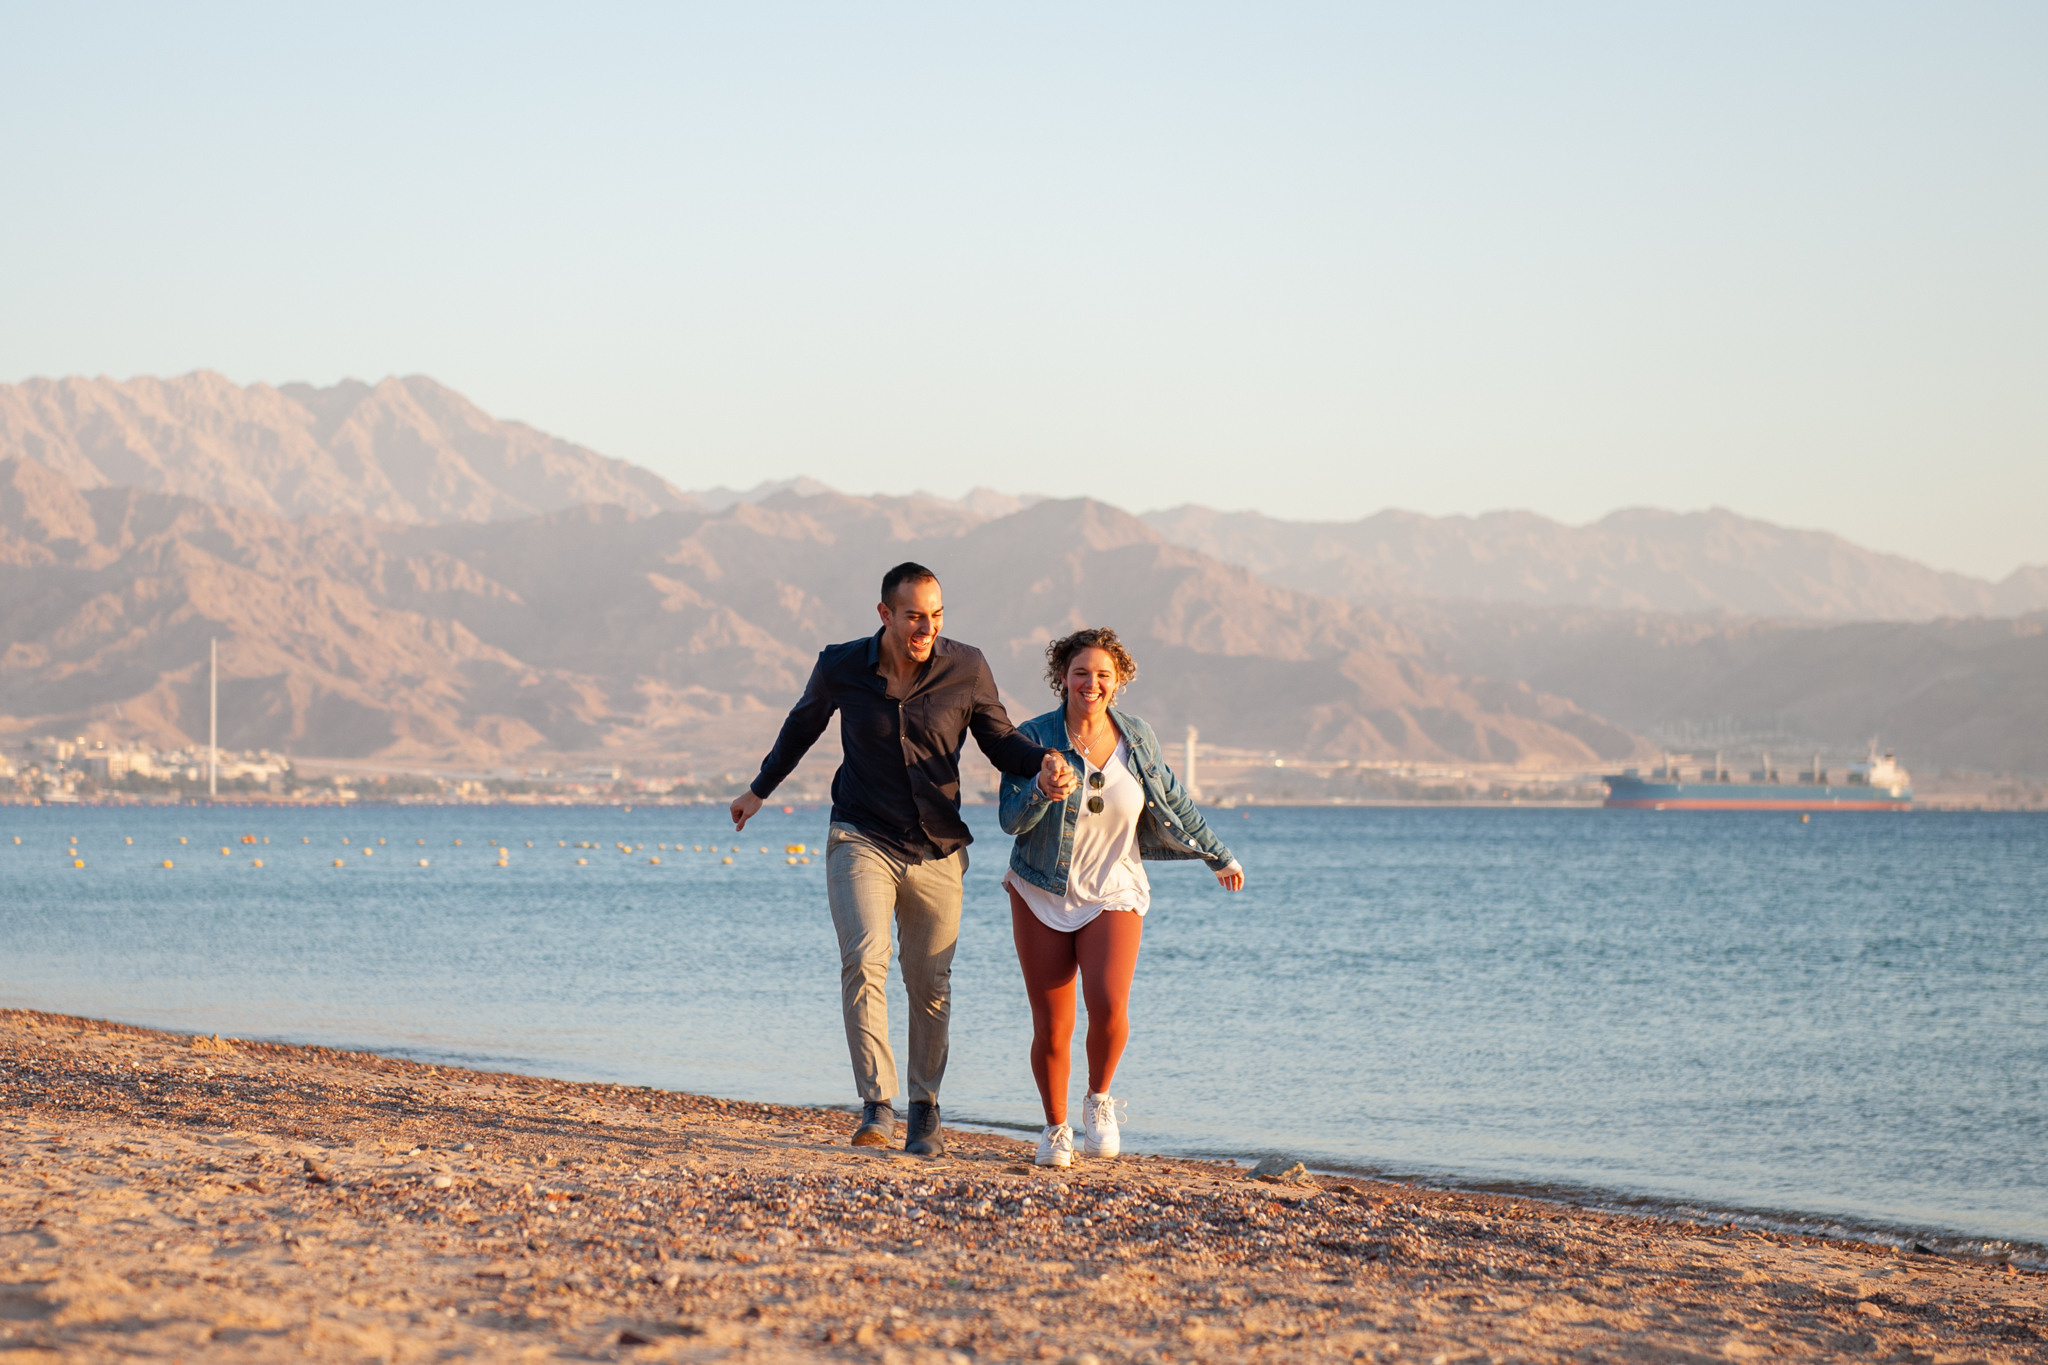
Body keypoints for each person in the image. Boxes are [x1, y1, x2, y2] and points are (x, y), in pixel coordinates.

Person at [733, 562, 1074, 1157]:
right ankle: (876, 1106)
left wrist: (1041, 761)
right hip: (860, 835)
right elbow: (802, 727)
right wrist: (760, 790)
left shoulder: (966, 667)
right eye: (915, 615)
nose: (927, 627)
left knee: (930, 982)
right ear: (885, 614)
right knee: (865, 959)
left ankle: (925, 1109)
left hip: (937, 845)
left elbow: (999, 740)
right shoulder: (840, 665)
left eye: (936, 615)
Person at [998, 627, 1243, 1167]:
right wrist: (1041, 789)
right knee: (1053, 1024)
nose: (1092, 683)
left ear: (1118, 682)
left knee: (1108, 1005)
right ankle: (1055, 1128)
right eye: (1081, 673)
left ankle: (1099, 1099)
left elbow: (1174, 797)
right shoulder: (1032, 738)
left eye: (1103, 675)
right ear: (1063, 678)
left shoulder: (1138, 738)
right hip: (1041, 888)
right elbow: (1010, 820)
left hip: (1116, 886)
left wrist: (1217, 854)